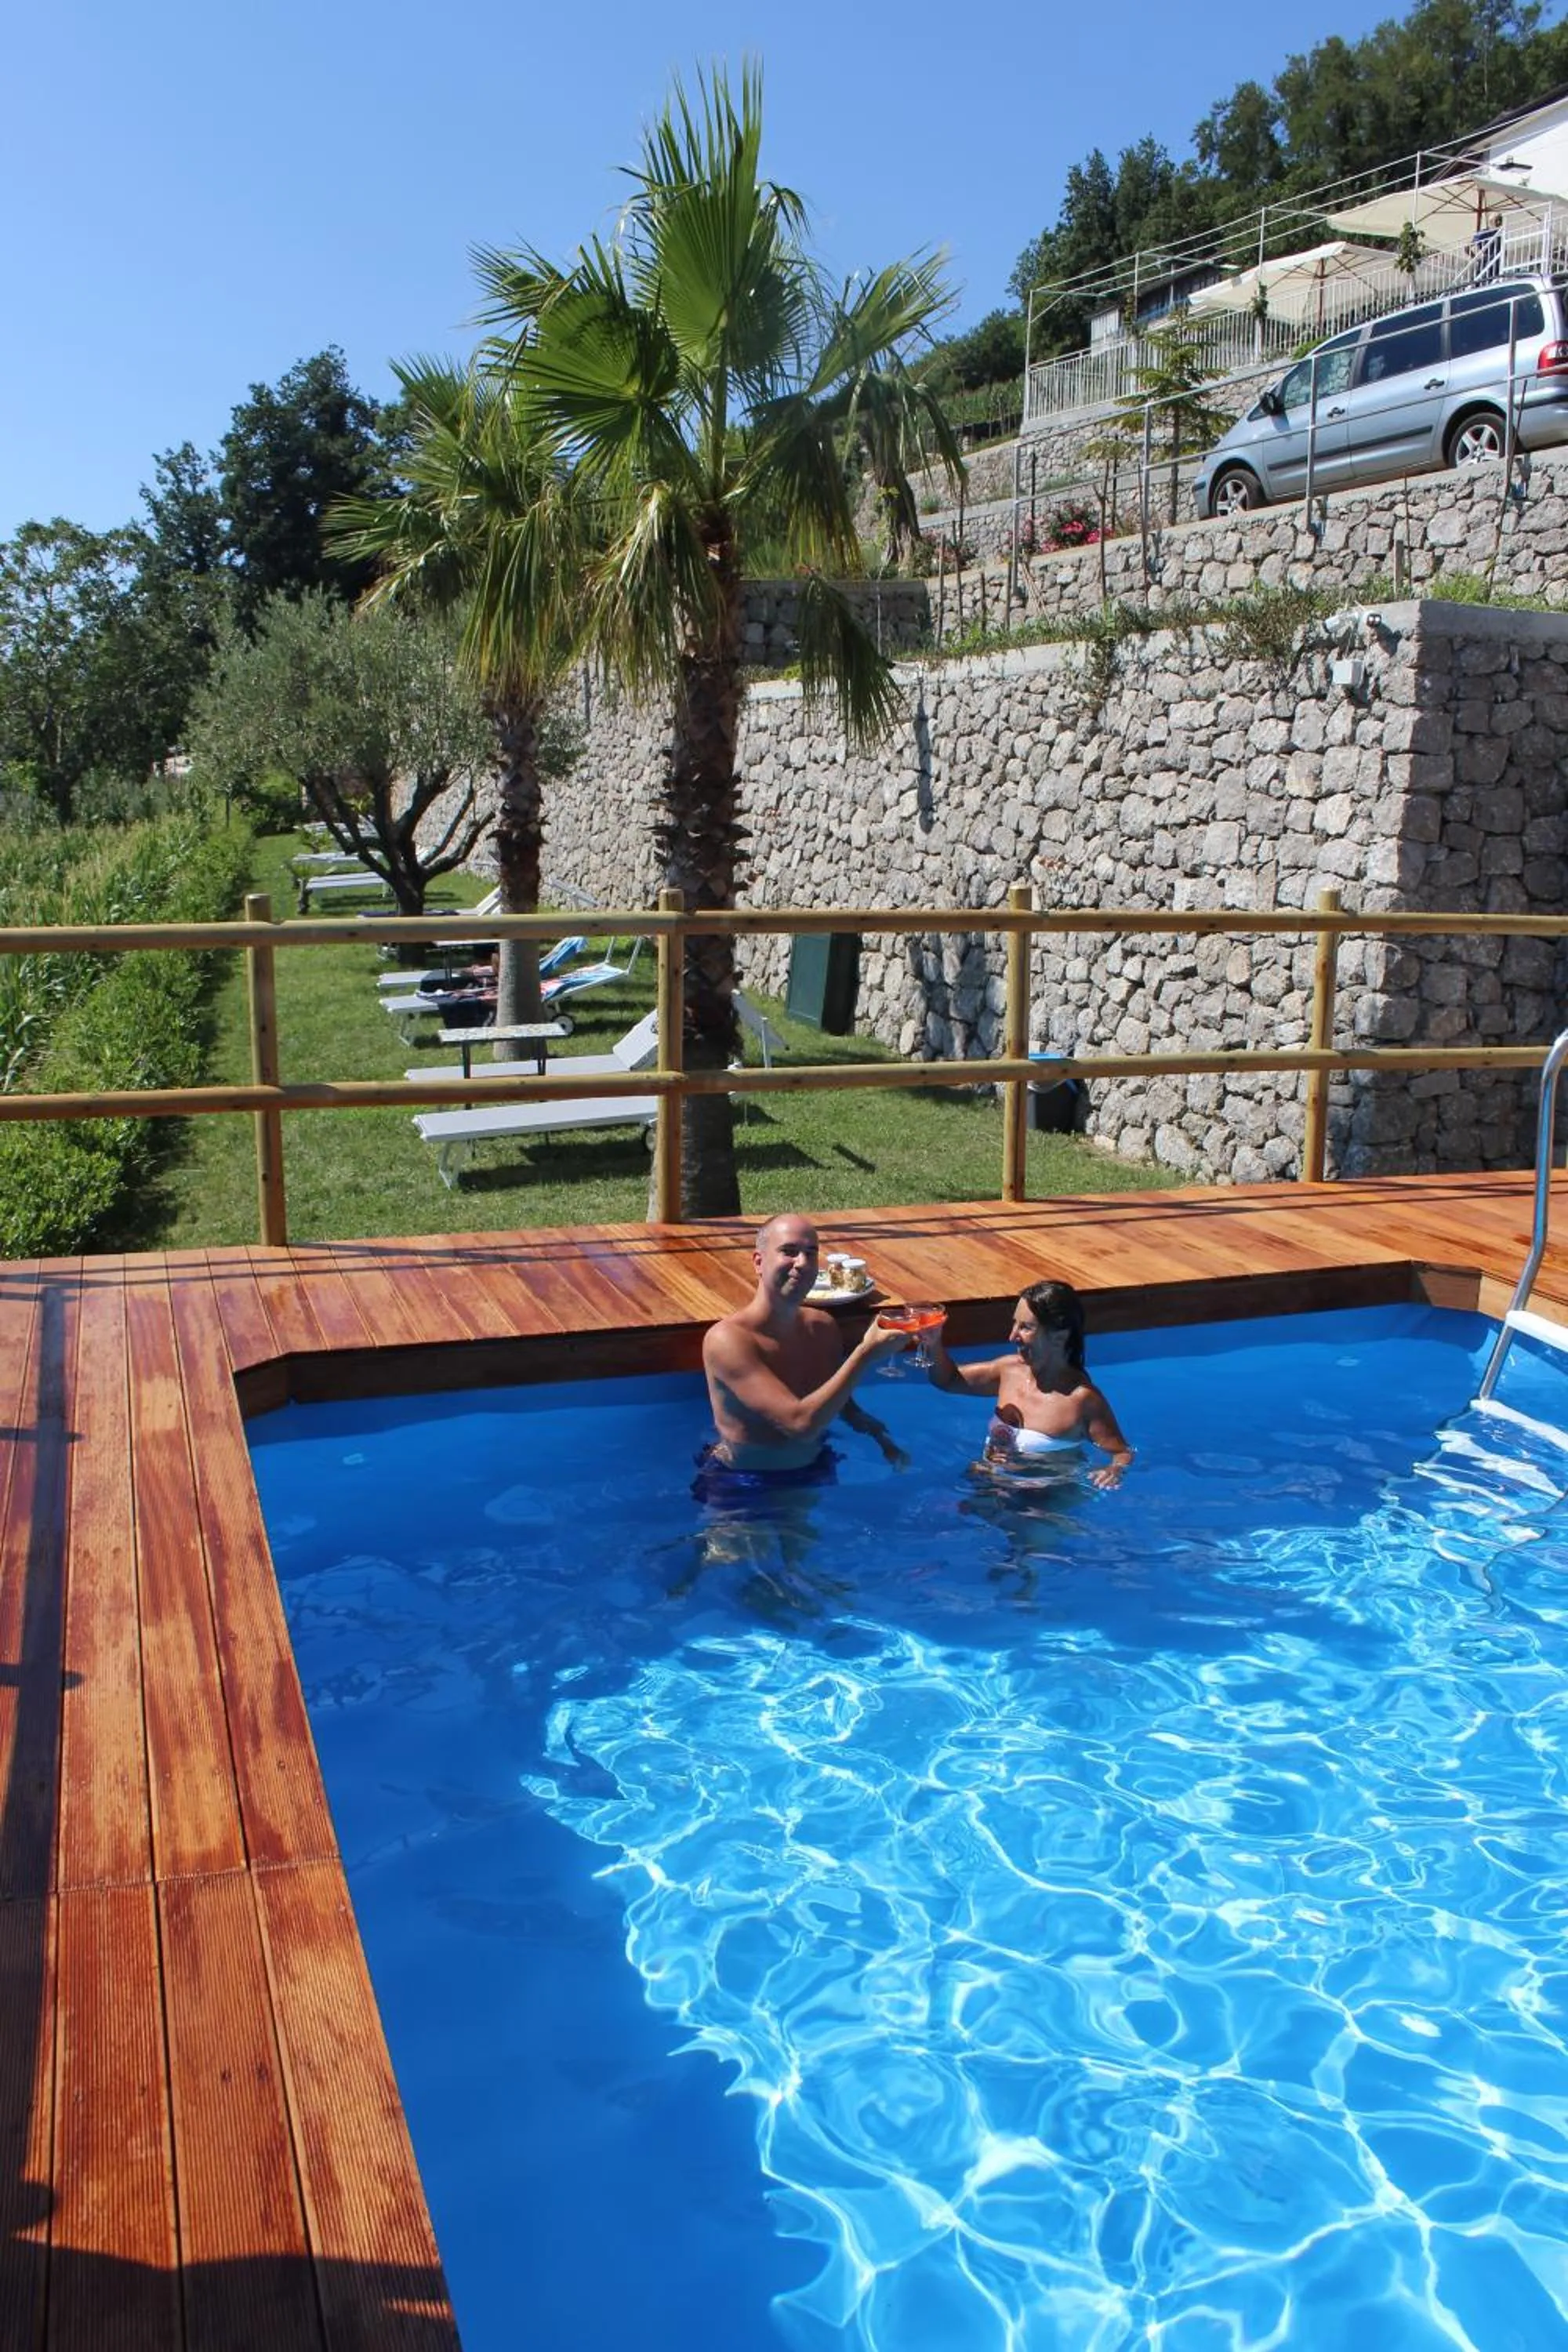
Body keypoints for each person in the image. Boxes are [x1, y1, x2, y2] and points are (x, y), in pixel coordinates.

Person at [700, 1213, 909, 1479]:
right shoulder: (728, 1340)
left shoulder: (822, 1328)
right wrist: (864, 1353)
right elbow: (798, 1424)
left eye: (811, 1253)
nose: (802, 1263)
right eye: (789, 1252)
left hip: (815, 1466)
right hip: (743, 1485)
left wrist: (881, 1439)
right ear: (759, 1262)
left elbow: (838, 1401)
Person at [925, 1278, 1134, 1490]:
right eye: (1015, 1323)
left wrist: (1114, 1470)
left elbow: (1122, 1453)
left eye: (1026, 1327)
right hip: (989, 1485)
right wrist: (932, 1343)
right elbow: (947, 1380)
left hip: (1041, 1505)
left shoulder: (1082, 1400)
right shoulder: (1008, 1371)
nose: (1012, 1336)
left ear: (1060, 1336)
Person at [1469, 212, 1503, 287]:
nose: (1499, 222)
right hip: (1486, 261)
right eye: (1497, 220)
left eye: (1500, 220)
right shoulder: (1484, 232)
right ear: (1491, 222)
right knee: (1479, 281)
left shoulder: (1501, 233)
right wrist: (1480, 257)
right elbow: (1470, 247)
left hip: (1497, 263)